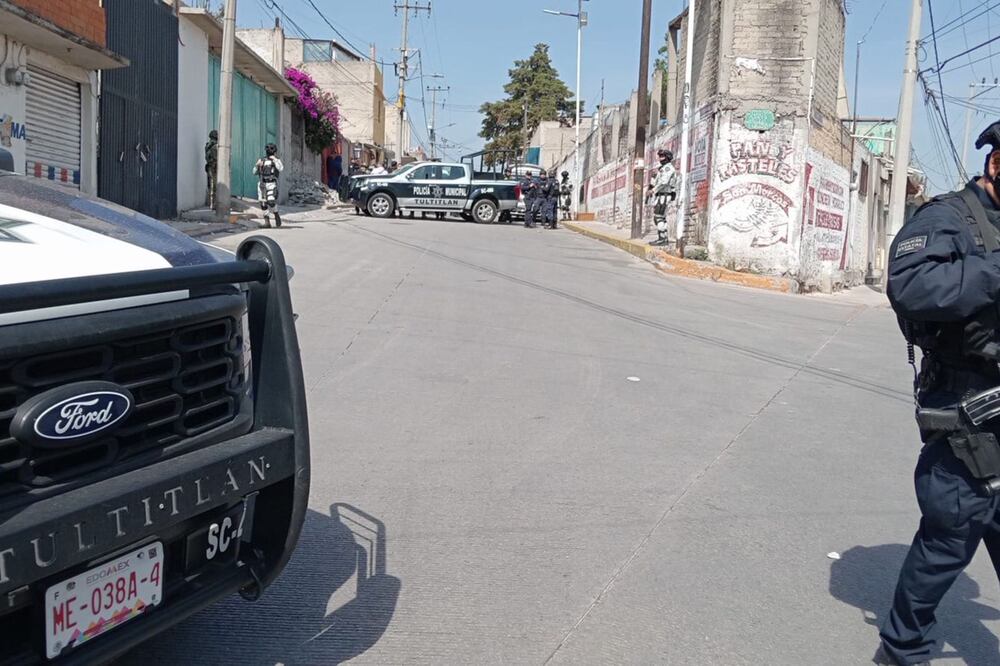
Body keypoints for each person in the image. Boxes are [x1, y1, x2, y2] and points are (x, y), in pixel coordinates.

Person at [879, 120, 1000, 666]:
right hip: (967, 406)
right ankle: (902, 650)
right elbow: (909, 285)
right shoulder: (948, 216)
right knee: (950, 537)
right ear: (996, 165)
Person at [648, 149, 678, 246]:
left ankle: (662, 239)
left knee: (659, 217)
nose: (660, 158)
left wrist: (653, 190)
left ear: (667, 157)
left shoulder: (668, 169)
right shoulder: (662, 168)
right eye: (660, 156)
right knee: (660, 218)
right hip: (661, 195)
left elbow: (664, 182)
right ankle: (663, 238)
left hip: (664, 195)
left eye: (663, 156)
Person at [253, 142, 284, 228]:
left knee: (271, 202)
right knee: (263, 203)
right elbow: (254, 172)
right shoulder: (262, 160)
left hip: (271, 183)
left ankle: (276, 214)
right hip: (262, 184)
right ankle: (267, 222)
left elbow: (281, 168)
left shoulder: (276, 160)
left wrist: (275, 159)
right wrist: (257, 165)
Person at [205, 130, 218, 209]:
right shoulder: (215, 146)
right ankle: (213, 204)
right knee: (215, 186)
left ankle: (211, 203)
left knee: (211, 185)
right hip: (215, 167)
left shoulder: (208, 145)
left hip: (209, 167)